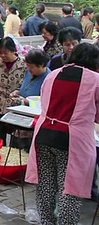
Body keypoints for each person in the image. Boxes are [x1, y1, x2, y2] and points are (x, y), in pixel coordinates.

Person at [26, 43, 99, 225]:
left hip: (44, 135)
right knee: (70, 188)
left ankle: (46, 221)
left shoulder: (53, 74)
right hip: (71, 141)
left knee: (46, 185)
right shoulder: (95, 79)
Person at [0, 37, 28, 145]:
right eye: (0, 53)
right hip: (0, 102)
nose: (3, 55)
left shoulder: (23, 64)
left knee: (15, 134)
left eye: (6, 53)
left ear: (13, 51)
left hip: (15, 103)